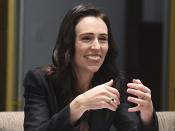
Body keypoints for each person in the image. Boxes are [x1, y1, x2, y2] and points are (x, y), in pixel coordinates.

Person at [23, 4, 158, 131]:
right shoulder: (39, 81)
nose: (97, 47)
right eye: (86, 38)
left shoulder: (114, 83)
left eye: (103, 39)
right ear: (69, 44)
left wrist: (147, 114)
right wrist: (79, 105)